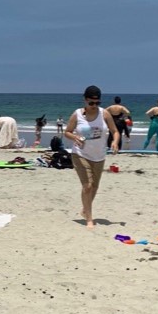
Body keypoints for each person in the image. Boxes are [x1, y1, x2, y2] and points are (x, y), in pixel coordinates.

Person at [64, 85, 119, 229]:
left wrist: (115, 141)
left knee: (94, 186)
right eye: (91, 103)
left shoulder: (104, 114)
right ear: (85, 100)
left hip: (99, 155)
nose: (94, 106)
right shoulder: (77, 115)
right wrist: (74, 137)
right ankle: (89, 219)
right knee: (87, 186)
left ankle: (85, 210)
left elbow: (115, 131)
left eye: (97, 103)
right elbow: (67, 132)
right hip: (80, 154)